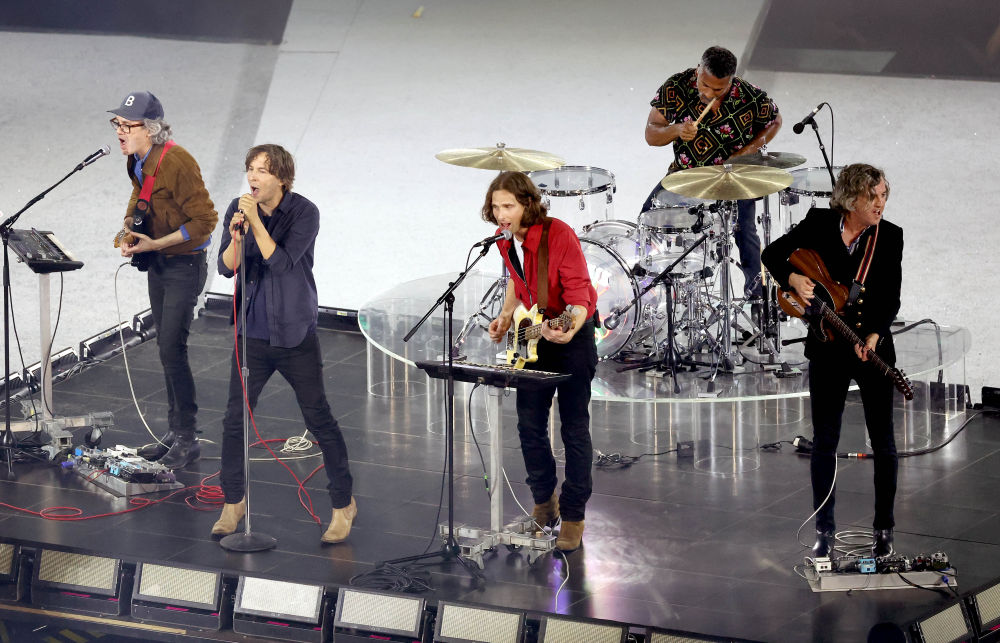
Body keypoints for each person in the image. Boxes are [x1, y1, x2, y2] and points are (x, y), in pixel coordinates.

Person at [211, 144, 356, 544]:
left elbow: (282, 262)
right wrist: (237, 235)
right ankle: (233, 502)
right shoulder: (238, 209)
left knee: (318, 418)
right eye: (250, 169)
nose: (252, 177)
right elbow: (226, 267)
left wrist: (256, 224)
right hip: (252, 332)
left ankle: (342, 504)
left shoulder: (305, 213)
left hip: (294, 332)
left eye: (262, 170)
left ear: (282, 178)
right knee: (234, 420)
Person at [760, 163, 902, 558]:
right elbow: (772, 254)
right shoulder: (819, 223)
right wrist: (791, 278)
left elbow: (890, 297)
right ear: (851, 200)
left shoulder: (890, 236)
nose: (881, 203)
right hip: (828, 347)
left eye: (884, 195)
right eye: (873, 197)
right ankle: (824, 529)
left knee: (884, 442)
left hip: (871, 347)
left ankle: (884, 529)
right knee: (824, 442)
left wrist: (874, 334)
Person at [484, 171, 598, 552]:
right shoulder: (505, 241)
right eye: (496, 207)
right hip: (535, 336)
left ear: (527, 204)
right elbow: (518, 282)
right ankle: (544, 502)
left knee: (574, 428)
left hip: (571, 335)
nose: (501, 214)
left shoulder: (558, 234)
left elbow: (580, 298)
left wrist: (568, 328)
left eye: (508, 206)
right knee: (529, 425)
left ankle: (574, 514)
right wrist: (505, 317)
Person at [111, 91, 217, 470]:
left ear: (151, 129)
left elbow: (205, 221)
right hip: (159, 263)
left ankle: (187, 438)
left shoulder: (177, 162)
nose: (120, 132)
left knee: (173, 347)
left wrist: (156, 242)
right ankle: (175, 432)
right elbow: (139, 194)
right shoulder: (138, 159)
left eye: (128, 126)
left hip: (184, 265)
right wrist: (130, 228)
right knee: (166, 347)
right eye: (117, 124)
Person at [643, 45, 782, 305]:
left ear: (731, 81)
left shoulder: (748, 95)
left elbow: (775, 121)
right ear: (698, 70)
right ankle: (649, 295)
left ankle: (758, 301)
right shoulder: (676, 87)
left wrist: (748, 151)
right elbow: (651, 133)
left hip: (732, 178)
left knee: (746, 233)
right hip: (687, 174)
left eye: (719, 90)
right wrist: (676, 130)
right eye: (704, 85)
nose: (708, 94)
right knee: (648, 219)